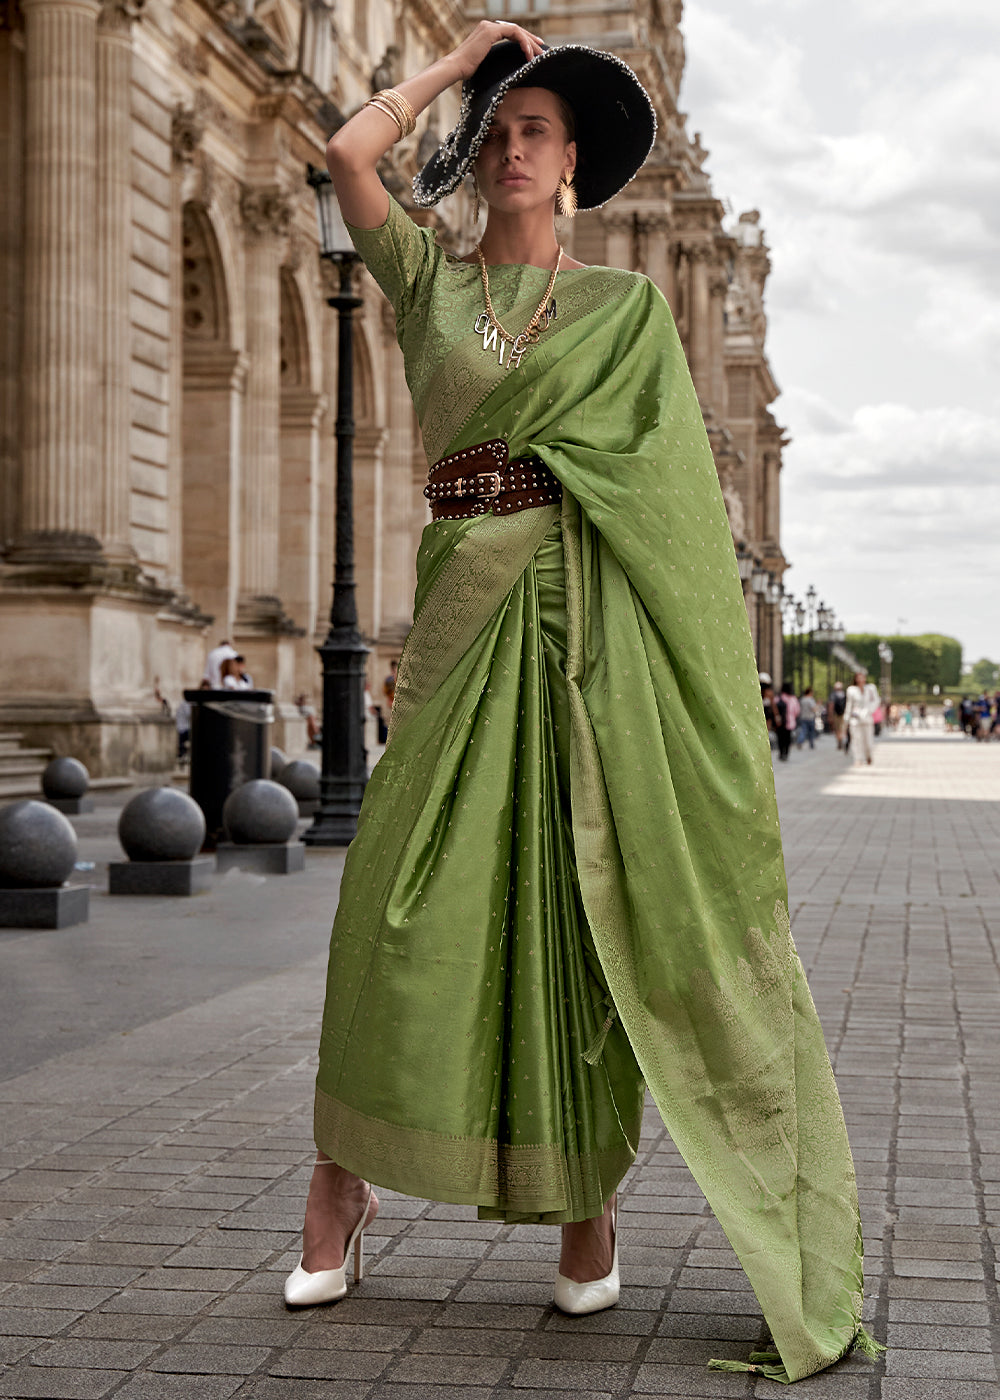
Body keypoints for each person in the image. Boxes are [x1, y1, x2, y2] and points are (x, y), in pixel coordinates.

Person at [287, 23, 877, 1384]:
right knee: (394, 908)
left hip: (589, 641)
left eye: (534, 133)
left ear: (573, 171)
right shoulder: (426, 283)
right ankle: (342, 1187)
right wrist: (458, 65)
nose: (508, 148)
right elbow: (345, 151)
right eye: (497, 132)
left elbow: (671, 519)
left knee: (571, 924)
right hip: (460, 627)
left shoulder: (626, 320)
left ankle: (584, 1213)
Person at [844, 669, 881, 766]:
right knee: (856, 740)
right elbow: (849, 705)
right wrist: (846, 719)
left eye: (862, 677)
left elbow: (876, 701)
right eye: (858, 677)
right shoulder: (851, 690)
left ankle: (868, 755)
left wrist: (869, 711)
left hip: (867, 718)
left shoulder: (871, 688)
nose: (860, 679)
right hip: (855, 719)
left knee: (868, 740)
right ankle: (858, 758)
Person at [774, 680, 799, 762]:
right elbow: (797, 711)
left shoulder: (778, 698)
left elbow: (774, 709)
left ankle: (781, 753)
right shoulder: (793, 699)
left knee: (780, 738)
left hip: (780, 722)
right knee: (787, 739)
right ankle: (786, 753)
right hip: (789, 722)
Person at [827, 681, 847, 749]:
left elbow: (831, 705)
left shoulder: (833, 695)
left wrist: (830, 716)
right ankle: (841, 738)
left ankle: (839, 740)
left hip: (836, 714)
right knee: (842, 728)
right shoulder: (844, 694)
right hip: (844, 714)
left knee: (837, 729)